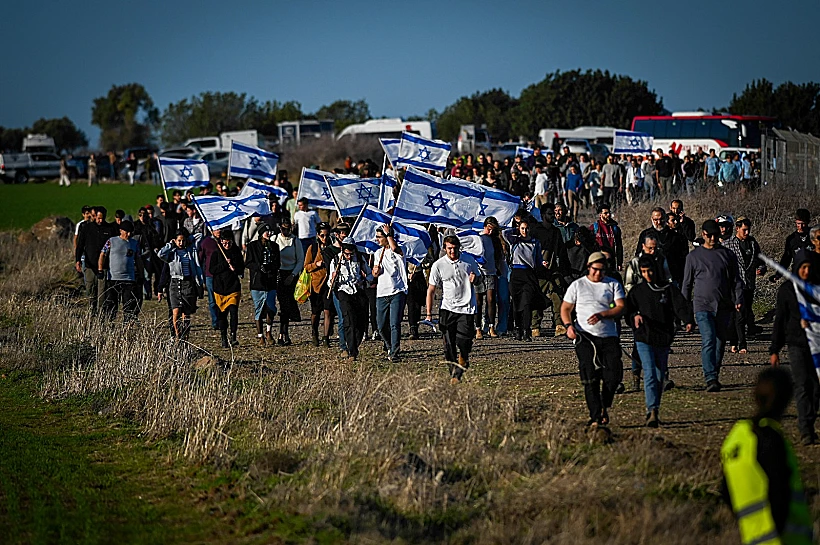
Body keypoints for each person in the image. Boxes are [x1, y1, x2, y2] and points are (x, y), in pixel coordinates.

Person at [721, 367, 814, 545]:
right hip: (786, 539)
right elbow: (779, 489)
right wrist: (778, 525)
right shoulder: (770, 439)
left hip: (753, 535)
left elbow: (725, 490)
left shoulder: (736, 437)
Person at [561, 251, 626, 428]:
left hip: (608, 335)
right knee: (589, 376)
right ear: (588, 267)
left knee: (613, 374)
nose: (598, 273)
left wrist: (604, 314)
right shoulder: (578, 285)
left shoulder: (612, 284)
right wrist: (568, 326)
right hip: (585, 336)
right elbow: (565, 308)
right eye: (595, 269)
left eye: (602, 270)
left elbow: (621, 306)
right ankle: (596, 416)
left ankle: (605, 404)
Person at [626, 255, 693, 427]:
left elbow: (680, 306)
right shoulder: (637, 291)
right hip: (643, 337)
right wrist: (634, 316)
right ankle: (652, 411)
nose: (647, 275)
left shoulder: (668, 289)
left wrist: (688, 320)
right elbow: (628, 311)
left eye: (649, 271)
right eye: (643, 272)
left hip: (663, 337)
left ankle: (655, 406)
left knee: (659, 375)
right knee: (649, 372)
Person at [682, 220, 743, 392]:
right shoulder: (693, 257)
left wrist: (739, 299)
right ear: (703, 234)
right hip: (702, 305)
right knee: (708, 338)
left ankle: (714, 373)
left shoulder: (727, 255)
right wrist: (685, 311)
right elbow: (686, 285)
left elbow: (736, 280)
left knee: (720, 342)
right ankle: (710, 377)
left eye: (716, 235)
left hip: (723, 305)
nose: (713, 238)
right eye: (709, 235)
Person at [769, 252, 820, 445]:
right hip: (796, 344)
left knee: (815, 387)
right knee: (802, 384)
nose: (806, 272)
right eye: (802, 267)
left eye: (809, 268)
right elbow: (780, 320)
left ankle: (810, 420)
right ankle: (805, 428)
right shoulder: (787, 290)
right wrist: (775, 349)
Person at [426, 235, 481, 384]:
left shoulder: (468, 261)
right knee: (448, 344)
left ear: (459, 248)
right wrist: (429, 313)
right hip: (447, 308)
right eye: (449, 248)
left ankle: (464, 356)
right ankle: (455, 374)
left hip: (466, 308)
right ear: (444, 248)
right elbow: (431, 290)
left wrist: (475, 279)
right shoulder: (438, 265)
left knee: (464, 341)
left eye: (455, 248)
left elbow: (480, 278)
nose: (452, 251)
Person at [724, 216, 766, 353]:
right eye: (744, 230)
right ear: (737, 229)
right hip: (734, 285)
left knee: (745, 312)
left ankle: (735, 341)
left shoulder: (753, 243)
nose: (747, 233)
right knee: (739, 314)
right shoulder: (728, 244)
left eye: (748, 230)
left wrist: (761, 268)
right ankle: (741, 343)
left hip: (749, 284)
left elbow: (760, 260)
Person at [503, 217, 548, 342]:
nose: (525, 231)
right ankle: (518, 328)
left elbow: (538, 260)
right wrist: (516, 229)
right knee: (516, 303)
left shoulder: (535, 242)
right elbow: (504, 233)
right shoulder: (514, 240)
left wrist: (543, 263)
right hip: (516, 274)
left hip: (529, 274)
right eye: (522, 228)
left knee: (527, 303)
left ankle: (527, 330)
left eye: (526, 228)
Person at [329, 237, 372, 361]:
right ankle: (351, 351)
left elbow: (370, 275)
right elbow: (329, 283)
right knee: (349, 321)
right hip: (344, 292)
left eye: (351, 254)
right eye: (346, 254)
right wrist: (333, 279)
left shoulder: (360, 259)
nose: (348, 256)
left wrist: (365, 280)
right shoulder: (335, 260)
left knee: (361, 322)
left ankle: (355, 344)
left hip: (358, 292)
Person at [372, 223, 408, 361]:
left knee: (394, 324)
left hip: (397, 291)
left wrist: (388, 234)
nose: (377, 239)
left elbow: (395, 249)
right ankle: (389, 345)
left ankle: (394, 352)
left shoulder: (399, 249)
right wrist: (375, 272)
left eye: (379, 237)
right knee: (381, 326)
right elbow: (376, 273)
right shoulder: (378, 253)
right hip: (382, 292)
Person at [157, 228, 202, 339]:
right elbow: (160, 254)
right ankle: (178, 336)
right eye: (179, 241)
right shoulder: (171, 253)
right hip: (175, 283)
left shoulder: (190, 250)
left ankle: (185, 336)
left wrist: (189, 239)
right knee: (176, 312)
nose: (181, 243)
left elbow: (199, 235)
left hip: (188, 283)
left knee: (186, 314)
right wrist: (170, 245)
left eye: (183, 240)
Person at [75, 206, 118, 314]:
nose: (100, 220)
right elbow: (80, 245)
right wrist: (78, 260)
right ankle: (91, 313)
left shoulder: (110, 229)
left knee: (102, 293)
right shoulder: (87, 228)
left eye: (102, 218)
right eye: (98, 218)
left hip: (104, 266)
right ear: (95, 217)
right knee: (90, 291)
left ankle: (101, 315)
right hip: (89, 265)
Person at [98, 220, 143, 322]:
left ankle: (126, 325)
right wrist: (100, 269)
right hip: (113, 278)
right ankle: (110, 323)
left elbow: (138, 259)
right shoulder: (111, 241)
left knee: (128, 304)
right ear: (121, 231)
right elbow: (102, 254)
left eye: (130, 232)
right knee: (111, 304)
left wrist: (141, 275)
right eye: (126, 232)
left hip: (129, 279)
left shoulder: (134, 243)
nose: (129, 234)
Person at [245, 223, 280, 347]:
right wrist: (259, 267)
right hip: (258, 282)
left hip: (270, 282)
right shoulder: (252, 246)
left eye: (270, 232)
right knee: (259, 310)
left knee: (271, 308)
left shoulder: (274, 246)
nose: (268, 234)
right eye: (266, 232)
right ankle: (260, 336)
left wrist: (271, 268)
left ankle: (269, 332)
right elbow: (248, 262)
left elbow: (278, 263)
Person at [209, 232, 244, 348]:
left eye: (229, 243)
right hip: (220, 289)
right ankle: (223, 337)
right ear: (221, 242)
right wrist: (225, 264)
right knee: (222, 315)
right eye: (225, 243)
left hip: (233, 287)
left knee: (233, 311)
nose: (227, 245)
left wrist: (235, 268)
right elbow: (212, 270)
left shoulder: (236, 252)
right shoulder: (216, 253)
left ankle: (233, 336)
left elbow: (241, 268)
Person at [273, 216, 304, 346]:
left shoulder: (295, 241)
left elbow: (300, 260)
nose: (285, 231)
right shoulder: (274, 239)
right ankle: (282, 332)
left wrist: (293, 274)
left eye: (287, 229)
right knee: (283, 304)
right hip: (278, 273)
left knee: (288, 304)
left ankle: (284, 332)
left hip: (291, 274)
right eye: (283, 229)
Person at [304, 223, 335, 347]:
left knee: (328, 311)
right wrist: (316, 265)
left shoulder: (332, 248)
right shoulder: (312, 249)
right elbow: (306, 266)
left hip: (329, 284)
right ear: (318, 235)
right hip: (316, 285)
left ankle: (326, 337)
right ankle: (314, 332)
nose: (324, 238)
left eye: (327, 235)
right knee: (316, 312)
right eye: (322, 235)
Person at [474, 218, 501, 339]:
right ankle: (478, 328)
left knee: (491, 299)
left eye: (492, 230)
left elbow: (498, 256)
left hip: (491, 272)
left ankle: (491, 326)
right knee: (478, 302)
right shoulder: (478, 238)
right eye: (489, 229)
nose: (490, 232)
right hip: (479, 273)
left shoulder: (494, 240)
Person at [772, 209, 814, 282]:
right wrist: (778, 275)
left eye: (803, 224)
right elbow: (786, 259)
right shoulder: (791, 239)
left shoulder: (815, 236)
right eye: (798, 224)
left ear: (808, 222)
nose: (800, 226)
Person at [198, 227, 222, 330]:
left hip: (222, 275)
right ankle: (215, 321)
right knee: (212, 301)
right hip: (210, 275)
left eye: (220, 229)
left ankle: (222, 320)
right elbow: (200, 258)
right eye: (216, 229)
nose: (219, 231)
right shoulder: (206, 242)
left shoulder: (224, 241)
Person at [590, 203, 623, 272]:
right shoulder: (594, 228)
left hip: (611, 260)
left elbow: (619, 246)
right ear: (600, 214)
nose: (608, 215)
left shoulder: (615, 228)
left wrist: (619, 262)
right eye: (605, 213)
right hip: (598, 259)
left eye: (609, 213)